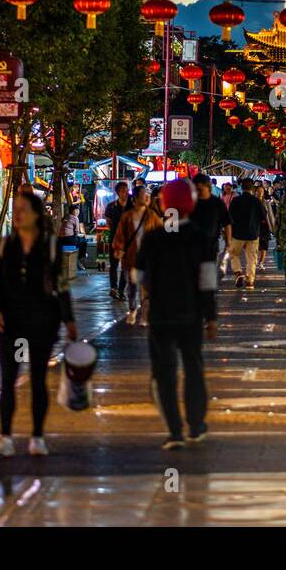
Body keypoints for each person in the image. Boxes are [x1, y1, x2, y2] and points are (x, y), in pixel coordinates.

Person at [0, 189, 78, 458]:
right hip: (12, 323)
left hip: (42, 323)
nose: (17, 215)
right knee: (9, 378)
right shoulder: (4, 245)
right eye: (15, 210)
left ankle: (37, 436)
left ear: (36, 215)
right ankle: (5, 437)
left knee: (38, 379)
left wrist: (69, 319)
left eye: (23, 209)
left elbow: (60, 285)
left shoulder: (50, 246)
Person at [135, 179, 218, 449]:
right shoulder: (200, 236)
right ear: (191, 204)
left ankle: (174, 431)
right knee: (193, 367)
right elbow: (207, 281)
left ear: (165, 204)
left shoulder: (154, 237)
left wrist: (152, 291)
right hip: (191, 313)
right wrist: (211, 316)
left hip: (160, 314)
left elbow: (138, 274)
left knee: (164, 372)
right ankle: (196, 424)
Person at [114, 187, 162, 325]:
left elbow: (161, 234)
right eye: (143, 195)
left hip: (149, 259)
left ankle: (145, 316)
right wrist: (118, 248)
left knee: (146, 287)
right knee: (132, 286)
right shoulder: (127, 216)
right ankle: (133, 310)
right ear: (135, 198)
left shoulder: (152, 215)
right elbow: (120, 235)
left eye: (148, 195)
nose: (147, 197)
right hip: (131, 258)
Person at [190, 174, 233, 286]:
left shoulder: (217, 203)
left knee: (208, 277)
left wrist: (228, 243)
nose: (197, 192)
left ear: (207, 186)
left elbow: (227, 223)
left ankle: (207, 297)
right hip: (191, 246)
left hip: (211, 246)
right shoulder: (191, 202)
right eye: (195, 189)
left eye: (199, 189)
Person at [227, 178, 267, 289]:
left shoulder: (235, 200)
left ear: (242, 187)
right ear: (252, 188)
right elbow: (264, 216)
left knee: (234, 254)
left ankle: (238, 272)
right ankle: (250, 281)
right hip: (253, 233)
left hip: (237, 233)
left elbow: (229, 217)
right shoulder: (256, 201)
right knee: (251, 258)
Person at [104, 181, 130, 299]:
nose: (126, 193)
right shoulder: (111, 206)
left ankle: (121, 290)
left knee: (126, 266)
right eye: (124, 191)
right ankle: (113, 288)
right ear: (118, 193)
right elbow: (108, 221)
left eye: (127, 190)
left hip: (129, 240)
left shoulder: (132, 206)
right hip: (115, 239)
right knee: (114, 265)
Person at [256, 183, 275, 274]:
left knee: (264, 246)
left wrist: (273, 228)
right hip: (255, 227)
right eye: (258, 191)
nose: (260, 193)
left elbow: (271, 216)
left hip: (265, 227)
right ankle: (255, 261)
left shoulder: (266, 203)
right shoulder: (253, 202)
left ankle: (261, 263)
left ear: (264, 193)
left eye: (261, 191)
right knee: (255, 246)